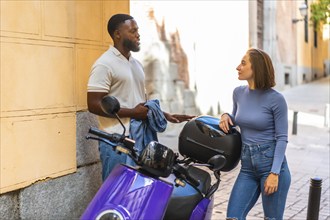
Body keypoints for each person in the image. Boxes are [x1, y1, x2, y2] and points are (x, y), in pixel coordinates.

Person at [87, 13, 193, 181]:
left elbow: (139, 102)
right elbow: (93, 104)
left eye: (138, 30)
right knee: (116, 191)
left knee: (138, 191)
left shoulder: (136, 64)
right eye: (133, 30)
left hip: (140, 139)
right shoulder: (104, 63)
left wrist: (164, 115)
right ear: (117, 34)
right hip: (116, 141)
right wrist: (133, 113)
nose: (138, 34)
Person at [219, 48, 291, 220]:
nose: (238, 67)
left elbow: (282, 138)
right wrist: (226, 116)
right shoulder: (238, 93)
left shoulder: (276, 99)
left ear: (256, 68)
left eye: (243, 63)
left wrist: (274, 174)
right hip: (247, 167)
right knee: (233, 217)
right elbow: (238, 118)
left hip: (271, 165)